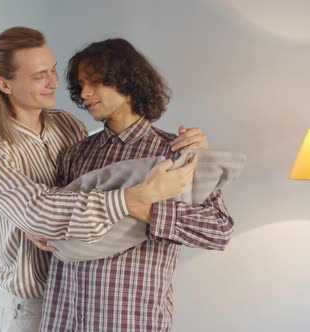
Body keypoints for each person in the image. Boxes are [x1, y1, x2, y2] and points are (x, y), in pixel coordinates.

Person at [0, 27, 209, 332]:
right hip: (29, 307)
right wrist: (137, 197)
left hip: (89, 301)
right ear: (5, 84)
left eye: (53, 70)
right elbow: (39, 212)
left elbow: (84, 189)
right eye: (39, 75)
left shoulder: (68, 127)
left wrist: (194, 156)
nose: (54, 82)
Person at [39, 38, 235, 332]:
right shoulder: (75, 155)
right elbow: (57, 222)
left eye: (94, 81)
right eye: (81, 85)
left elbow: (219, 230)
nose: (85, 93)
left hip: (130, 321)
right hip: (66, 318)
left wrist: (147, 210)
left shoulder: (175, 151)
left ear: (126, 80)